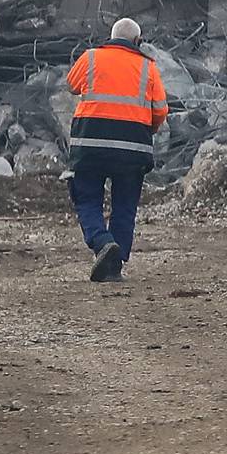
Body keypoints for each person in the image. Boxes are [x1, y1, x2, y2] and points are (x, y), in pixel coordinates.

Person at [64, 16, 167, 283]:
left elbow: (72, 85)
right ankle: (115, 264)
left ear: (111, 37)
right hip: (132, 150)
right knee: (125, 205)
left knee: (87, 198)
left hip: (91, 146)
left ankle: (102, 243)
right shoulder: (149, 67)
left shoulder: (90, 58)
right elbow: (160, 112)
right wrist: (147, 129)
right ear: (137, 41)